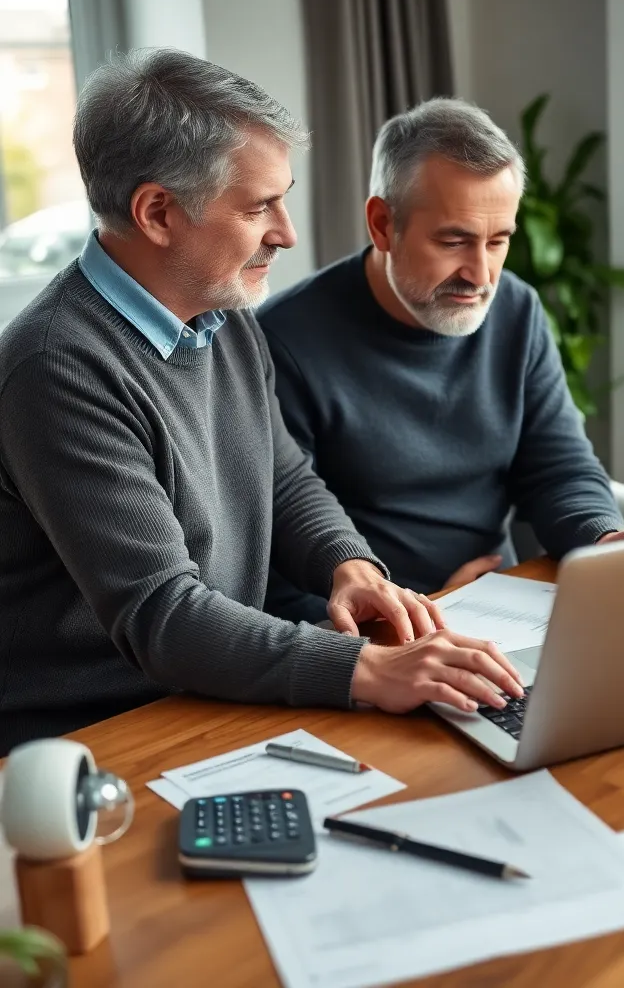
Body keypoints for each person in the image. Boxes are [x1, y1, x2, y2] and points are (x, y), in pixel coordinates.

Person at [0, 52, 522, 756]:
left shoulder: (222, 313)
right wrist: (367, 669)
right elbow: (163, 613)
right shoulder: (57, 368)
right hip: (97, 737)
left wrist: (348, 565)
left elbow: (282, 475)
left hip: (213, 692)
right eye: (257, 207)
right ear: (157, 213)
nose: (286, 232)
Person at [259, 98, 624, 626]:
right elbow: (281, 548)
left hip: (503, 601)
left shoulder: (516, 309)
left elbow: (558, 467)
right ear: (382, 224)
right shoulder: (283, 342)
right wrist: (429, 609)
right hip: (384, 631)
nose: (482, 275)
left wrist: (602, 539)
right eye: (454, 241)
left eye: (498, 241)